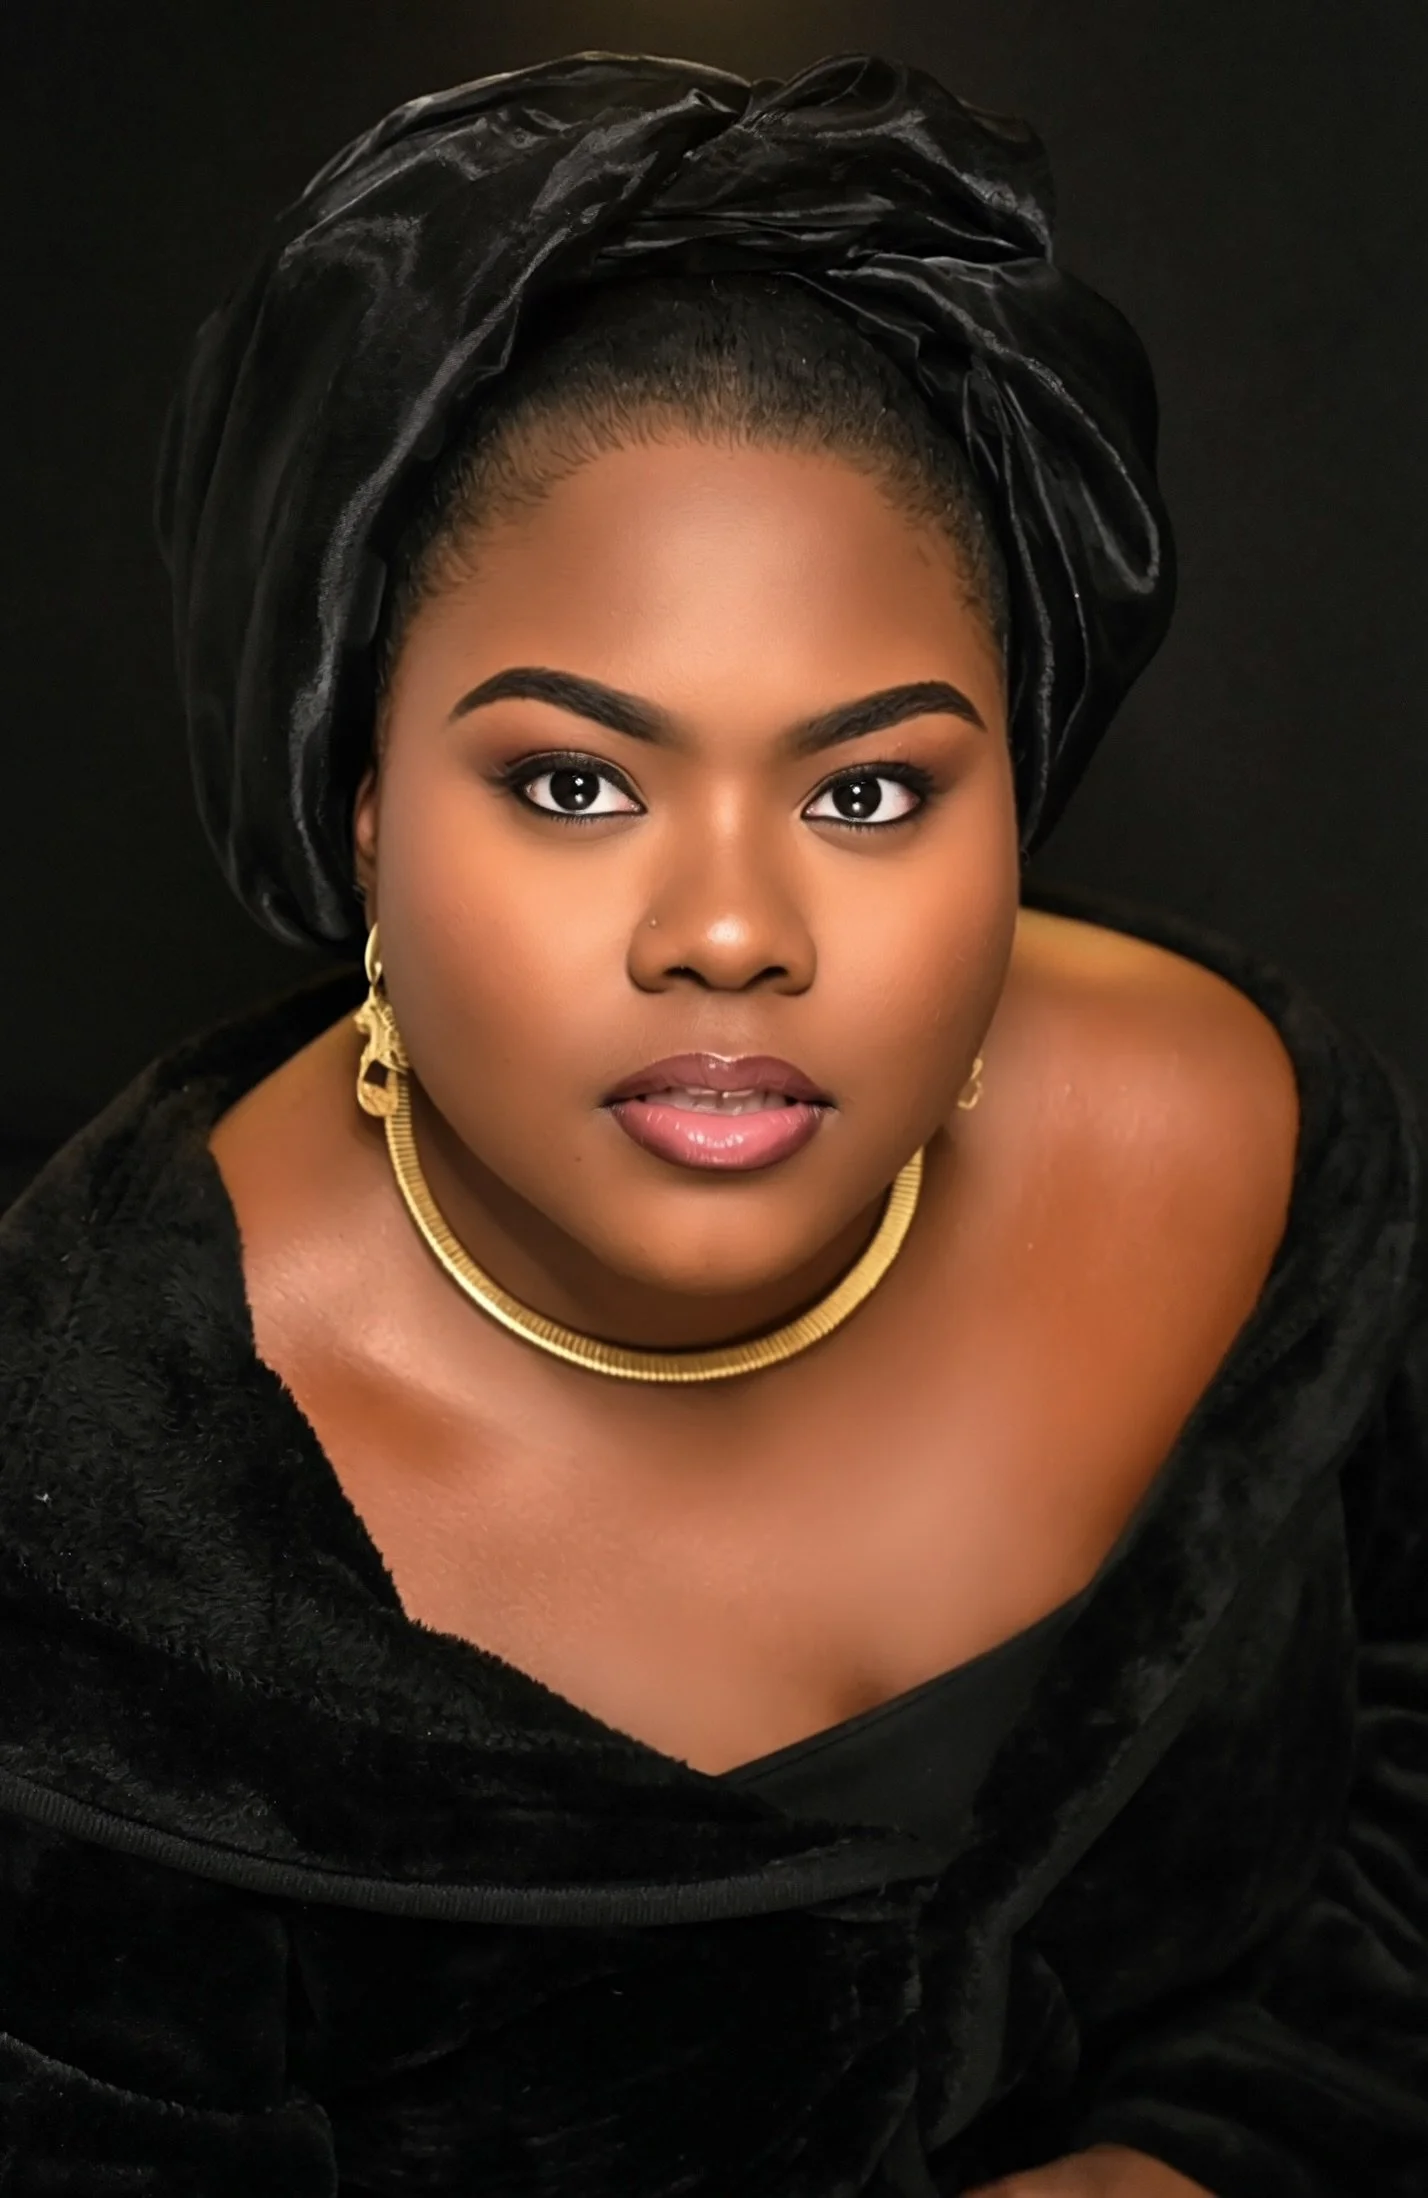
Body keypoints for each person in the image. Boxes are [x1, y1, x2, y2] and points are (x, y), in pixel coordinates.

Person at [0, 50, 1422, 2198]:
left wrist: (1200, 2162)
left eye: (868, 791)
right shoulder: (91, 1526)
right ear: (366, 815)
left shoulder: (1249, 1134)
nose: (737, 930)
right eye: (575, 781)